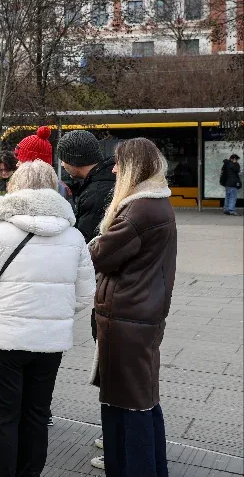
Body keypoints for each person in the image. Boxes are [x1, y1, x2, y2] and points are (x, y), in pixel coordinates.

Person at [0, 160, 95, 477]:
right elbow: (86, 295)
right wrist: (51, 314)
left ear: (14, 187)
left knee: (1, 420)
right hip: (48, 345)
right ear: (53, 190)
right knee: (36, 416)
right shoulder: (73, 237)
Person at [88, 138, 177, 477]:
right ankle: (147, 467)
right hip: (141, 313)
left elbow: (100, 255)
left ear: (133, 168)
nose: (112, 170)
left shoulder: (140, 210)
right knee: (141, 399)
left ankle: (134, 468)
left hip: (128, 317)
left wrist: (95, 241)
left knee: (128, 405)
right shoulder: (156, 204)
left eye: (117, 164)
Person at [58, 130, 116, 242]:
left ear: (73, 161)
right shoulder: (106, 179)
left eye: (63, 160)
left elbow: (84, 241)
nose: (62, 164)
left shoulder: (95, 193)